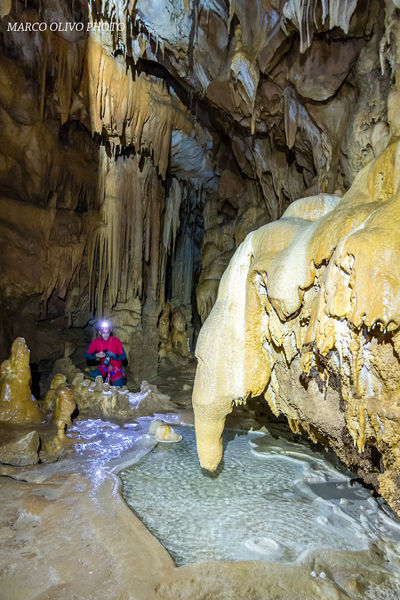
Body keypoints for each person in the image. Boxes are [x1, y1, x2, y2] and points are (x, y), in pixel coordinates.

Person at [85, 321, 126, 387]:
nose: (106, 335)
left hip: (116, 369)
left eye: (107, 332)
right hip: (104, 367)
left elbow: (123, 356)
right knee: (93, 376)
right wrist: (96, 355)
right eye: (103, 333)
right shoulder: (96, 342)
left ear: (110, 332)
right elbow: (86, 354)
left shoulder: (116, 341)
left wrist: (114, 355)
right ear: (99, 332)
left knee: (118, 388)